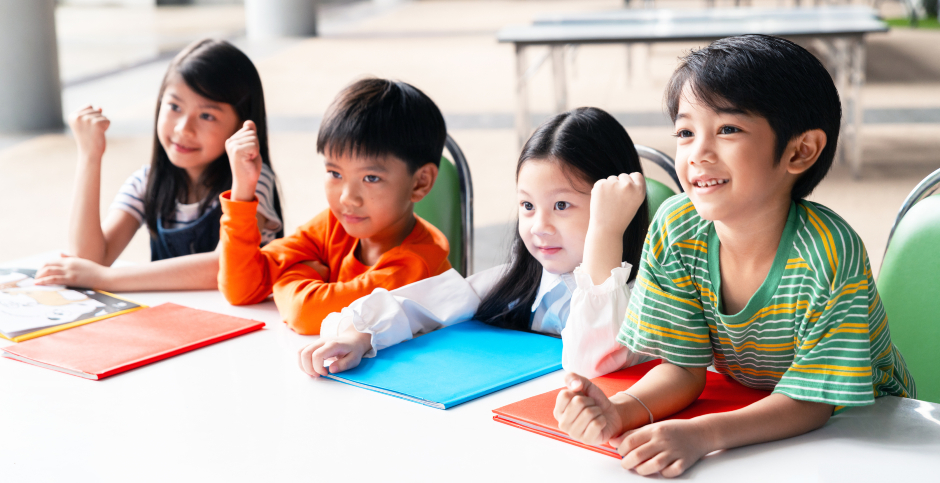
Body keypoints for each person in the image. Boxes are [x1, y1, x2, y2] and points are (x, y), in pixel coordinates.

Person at [553, 35, 916, 478]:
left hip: (868, 424)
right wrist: (619, 410)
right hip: (757, 412)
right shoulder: (677, 228)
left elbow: (812, 402)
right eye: (686, 132)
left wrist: (701, 435)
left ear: (800, 151)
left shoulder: (829, 252)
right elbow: (683, 370)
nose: (698, 154)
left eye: (727, 129)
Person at [297, 107, 652, 378]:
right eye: (527, 205)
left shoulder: (647, 301)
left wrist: (606, 234)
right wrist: (359, 334)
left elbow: (593, 364)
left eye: (561, 205)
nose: (539, 226)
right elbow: (424, 302)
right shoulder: (517, 282)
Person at [35, 39, 282, 291]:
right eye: (174, 106)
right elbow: (90, 260)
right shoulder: (146, 183)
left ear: (242, 126)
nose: (183, 128)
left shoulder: (251, 178)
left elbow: (222, 267)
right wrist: (89, 156)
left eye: (207, 115)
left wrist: (106, 279)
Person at [219, 78, 451, 335]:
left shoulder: (417, 266)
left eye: (371, 178)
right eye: (335, 173)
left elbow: (305, 313)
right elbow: (241, 288)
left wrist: (293, 275)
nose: (347, 198)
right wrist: (242, 192)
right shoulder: (335, 225)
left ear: (420, 182)